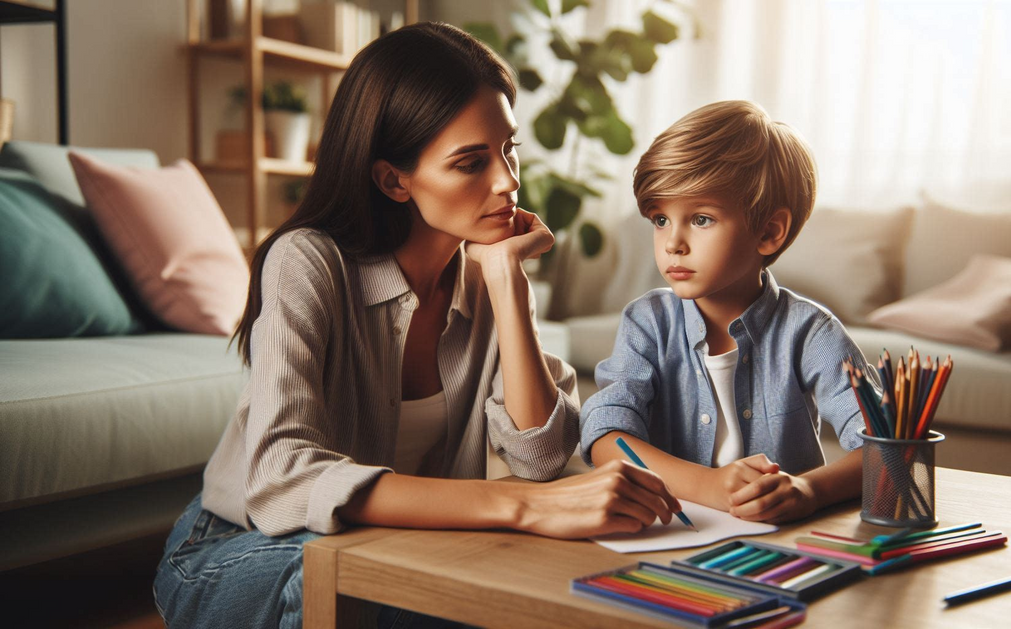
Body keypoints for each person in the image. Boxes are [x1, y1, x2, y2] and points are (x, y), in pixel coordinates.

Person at [154, 22, 682, 629]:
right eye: (470, 162)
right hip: (241, 550)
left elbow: (538, 457)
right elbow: (283, 477)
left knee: (492, 592)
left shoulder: (488, 274)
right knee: (358, 581)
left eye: (509, 148)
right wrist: (521, 506)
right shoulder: (307, 260)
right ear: (393, 179)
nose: (508, 181)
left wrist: (508, 281)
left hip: (391, 542)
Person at [580, 100, 877, 525]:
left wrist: (809, 490)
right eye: (661, 219)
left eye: (700, 219)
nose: (672, 243)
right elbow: (607, 437)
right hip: (674, 537)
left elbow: (886, 446)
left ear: (769, 232)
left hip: (779, 542)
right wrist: (707, 486)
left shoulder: (811, 333)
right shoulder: (646, 323)